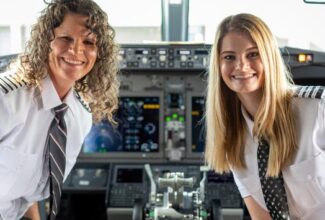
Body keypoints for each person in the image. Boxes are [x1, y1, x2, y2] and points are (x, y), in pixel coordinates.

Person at [0, 0, 119, 219]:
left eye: (89, 42)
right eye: (65, 38)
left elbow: (26, 193)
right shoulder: (6, 100)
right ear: (46, 41)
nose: (76, 50)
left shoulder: (80, 117)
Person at [205, 13, 325, 220]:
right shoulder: (234, 140)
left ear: (269, 56)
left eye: (253, 54)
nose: (241, 66)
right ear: (219, 65)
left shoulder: (319, 109)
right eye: (229, 57)